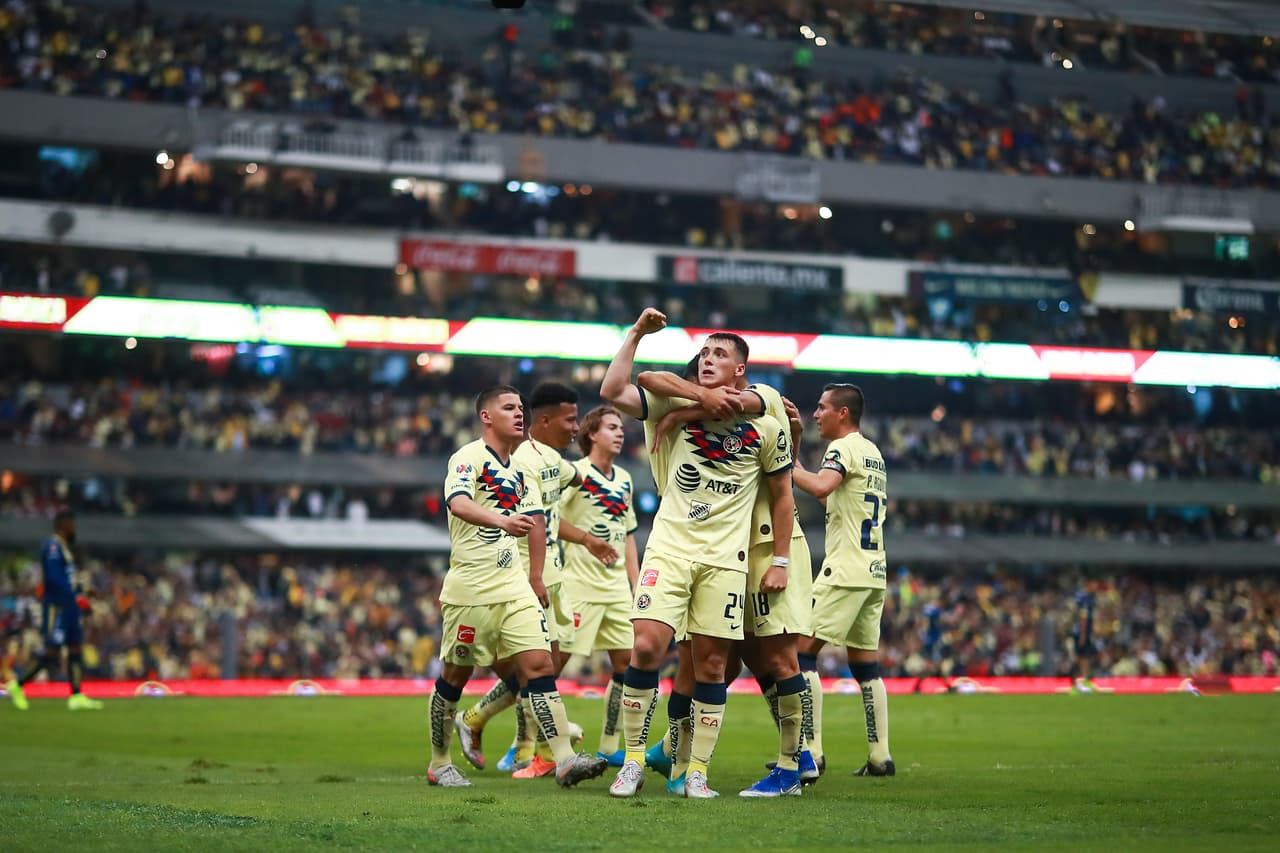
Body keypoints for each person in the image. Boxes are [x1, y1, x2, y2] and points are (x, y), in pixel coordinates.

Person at [601, 308, 795, 799]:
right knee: (645, 647)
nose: (708, 359)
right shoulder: (665, 406)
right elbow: (617, 388)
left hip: (725, 560)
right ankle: (635, 761)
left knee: (710, 668)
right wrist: (638, 336)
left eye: (720, 354)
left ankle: (695, 772)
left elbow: (784, 494)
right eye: (704, 353)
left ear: (741, 370)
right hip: (668, 547)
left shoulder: (767, 420)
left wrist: (780, 559)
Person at [638, 372, 817, 796]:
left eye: (719, 359)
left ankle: (796, 761)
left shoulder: (762, 398)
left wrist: (686, 408)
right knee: (714, 659)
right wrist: (690, 408)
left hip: (767, 548)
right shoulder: (696, 427)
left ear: (739, 372)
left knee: (776, 658)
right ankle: (673, 750)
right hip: (711, 550)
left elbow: (748, 409)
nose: (708, 373)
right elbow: (633, 383)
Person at [427, 385, 606, 789]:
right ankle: (439, 763)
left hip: (515, 587)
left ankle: (564, 760)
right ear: (486, 417)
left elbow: (537, 523)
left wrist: (536, 575)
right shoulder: (467, 457)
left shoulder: (524, 470)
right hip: (470, 588)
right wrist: (501, 521)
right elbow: (458, 503)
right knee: (455, 675)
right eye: (509, 408)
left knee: (540, 666)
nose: (519, 413)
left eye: (521, 407)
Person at [791, 383, 895, 778]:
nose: (816, 414)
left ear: (843, 414)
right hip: (873, 571)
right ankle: (880, 756)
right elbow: (833, 499)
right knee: (865, 663)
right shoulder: (873, 453)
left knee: (801, 650)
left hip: (845, 569)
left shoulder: (842, 448)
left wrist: (788, 467)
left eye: (821, 408)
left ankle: (811, 752)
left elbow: (820, 485)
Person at [559, 405, 640, 765]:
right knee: (549, 665)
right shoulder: (576, 474)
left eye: (621, 427)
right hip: (579, 585)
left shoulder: (624, 478)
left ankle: (609, 745)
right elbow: (548, 519)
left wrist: (637, 584)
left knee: (627, 665)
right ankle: (528, 743)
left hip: (616, 589)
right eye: (611, 427)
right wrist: (587, 539)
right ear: (591, 433)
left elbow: (628, 535)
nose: (619, 432)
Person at [5, 510, 103, 711]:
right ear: (62, 525)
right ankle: (17, 685)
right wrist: (71, 596)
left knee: (75, 647)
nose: (74, 529)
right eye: (71, 525)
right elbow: (53, 579)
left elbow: (68, 579)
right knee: (52, 651)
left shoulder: (65, 548)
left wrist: (83, 592)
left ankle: (76, 696)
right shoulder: (52, 545)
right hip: (57, 607)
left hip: (70, 606)